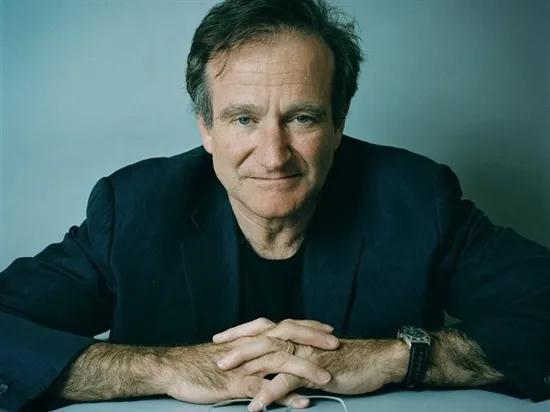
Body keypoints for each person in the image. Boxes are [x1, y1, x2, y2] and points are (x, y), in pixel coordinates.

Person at [1, 0, 549, 410]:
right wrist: (164, 369)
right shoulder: (134, 208)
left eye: (301, 118)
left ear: (339, 123)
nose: (273, 154)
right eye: (243, 118)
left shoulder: (415, 197)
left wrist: (396, 358)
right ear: (206, 127)